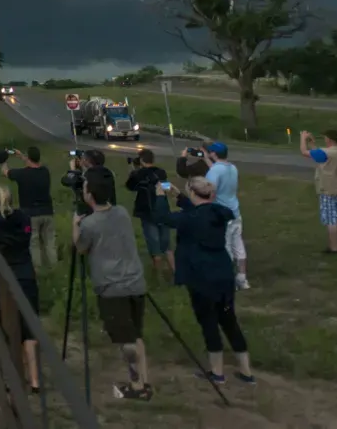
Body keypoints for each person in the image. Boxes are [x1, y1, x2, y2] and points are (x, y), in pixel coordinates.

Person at [154, 176, 255, 384]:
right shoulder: (219, 213)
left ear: (193, 193)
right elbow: (200, 211)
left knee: (209, 322)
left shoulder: (188, 219)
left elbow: (163, 217)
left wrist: (160, 197)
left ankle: (217, 373)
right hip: (223, 273)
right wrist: (180, 196)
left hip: (201, 276)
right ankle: (246, 372)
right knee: (229, 320)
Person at [73, 175, 151, 401]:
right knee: (135, 335)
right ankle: (143, 380)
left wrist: (74, 226)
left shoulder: (89, 224)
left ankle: (137, 386)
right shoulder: (122, 212)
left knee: (126, 342)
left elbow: (80, 248)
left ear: (89, 195)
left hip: (112, 287)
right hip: (135, 282)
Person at [0, 184, 41, 393]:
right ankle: (35, 379)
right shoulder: (23, 218)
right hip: (26, 274)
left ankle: (13, 378)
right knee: (29, 328)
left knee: (9, 327)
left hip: (4, 277)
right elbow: (26, 235)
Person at [202, 143, 249, 289]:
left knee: (225, 247)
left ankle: (228, 280)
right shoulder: (232, 168)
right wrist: (206, 160)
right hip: (235, 212)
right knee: (238, 245)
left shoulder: (215, 171)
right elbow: (217, 170)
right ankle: (242, 278)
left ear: (214, 154)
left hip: (222, 215)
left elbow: (210, 189)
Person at [2, 146, 57, 268]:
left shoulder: (22, 174)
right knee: (50, 242)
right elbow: (34, 163)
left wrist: (5, 160)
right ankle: (53, 267)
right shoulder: (45, 172)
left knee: (33, 243)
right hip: (47, 213)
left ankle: (36, 269)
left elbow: (5, 172)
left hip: (29, 216)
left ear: (28, 158)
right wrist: (23, 156)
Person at [124, 148, 174, 278]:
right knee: (167, 245)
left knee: (154, 245)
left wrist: (132, 170)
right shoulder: (161, 172)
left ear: (141, 160)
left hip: (147, 212)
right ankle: (175, 273)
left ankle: (158, 278)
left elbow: (130, 186)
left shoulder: (138, 174)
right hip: (163, 210)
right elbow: (167, 188)